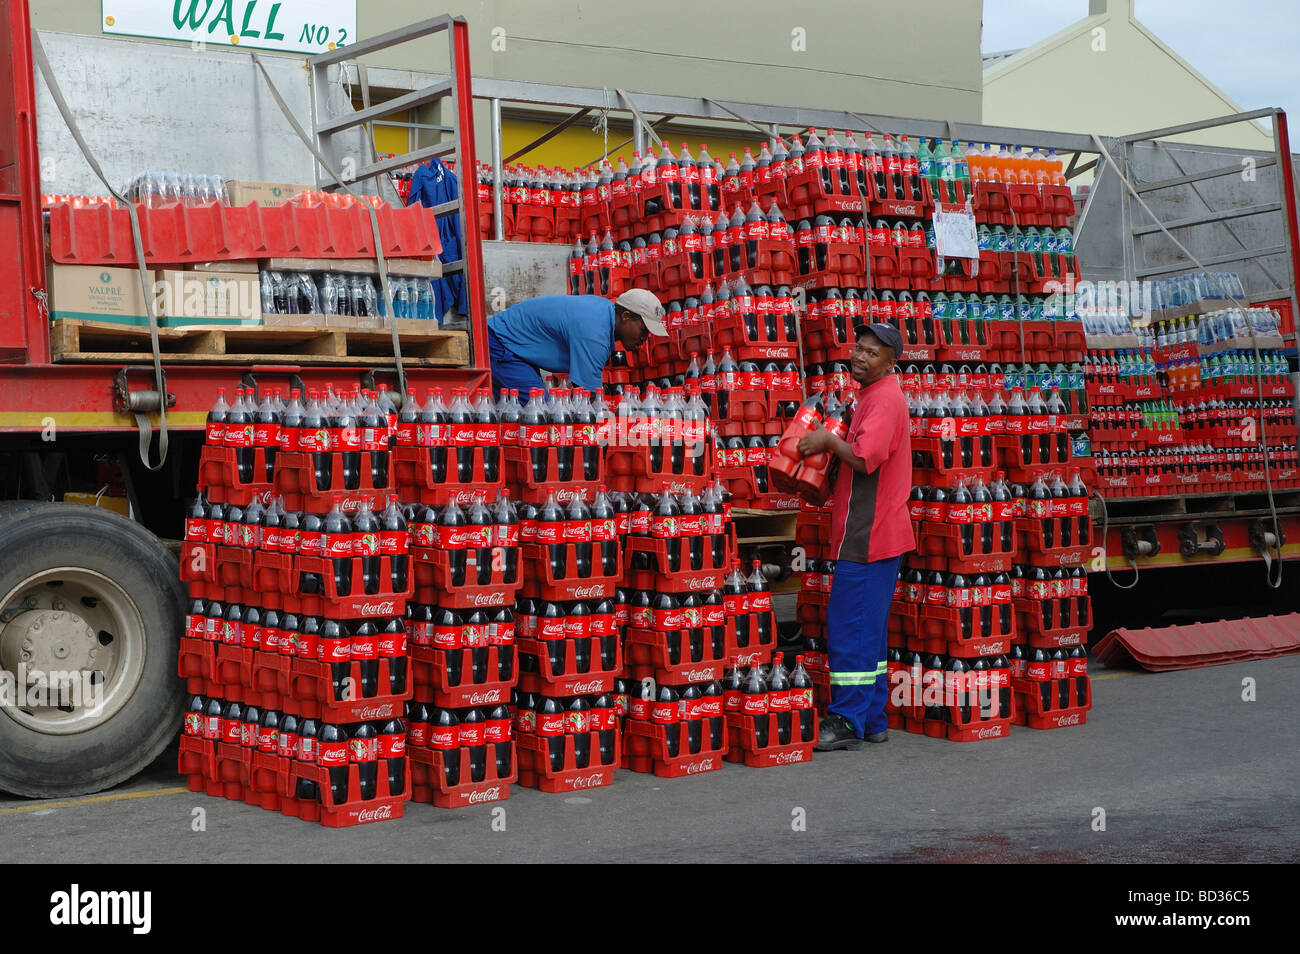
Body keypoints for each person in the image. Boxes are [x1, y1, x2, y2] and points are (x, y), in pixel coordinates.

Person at [797, 322, 914, 751]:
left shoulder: (884, 400)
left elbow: (866, 460)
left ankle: (846, 720)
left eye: (872, 353)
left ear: (890, 362)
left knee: (850, 630)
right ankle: (871, 717)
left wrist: (827, 440)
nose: (859, 357)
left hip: (871, 535)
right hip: (869, 532)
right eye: (858, 348)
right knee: (869, 633)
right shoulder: (869, 397)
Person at [487, 290, 667, 397]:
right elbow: (587, 397)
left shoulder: (603, 311)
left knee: (516, 412)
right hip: (502, 345)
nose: (644, 339)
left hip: (511, 344)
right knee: (540, 411)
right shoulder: (595, 333)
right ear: (626, 316)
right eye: (644, 331)